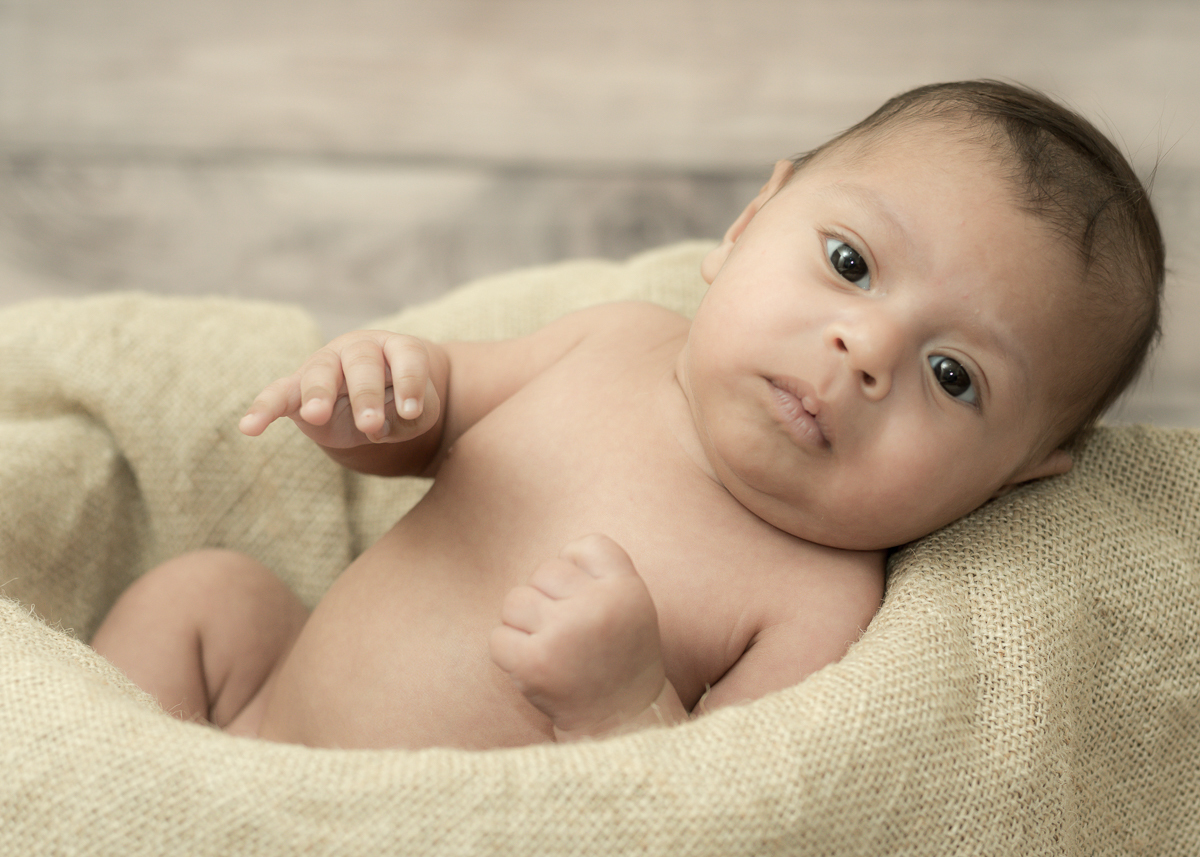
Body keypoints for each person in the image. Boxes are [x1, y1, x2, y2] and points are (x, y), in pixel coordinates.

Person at [92, 80, 1165, 750]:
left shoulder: (815, 603)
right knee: (207, 591)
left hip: (416, 831)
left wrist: (624, 705)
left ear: (1020, 473)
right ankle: (115, 782)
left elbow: (721, 805)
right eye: (849, 264)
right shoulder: (607, 341)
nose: (868, 352)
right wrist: (373, 392)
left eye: (955, 375)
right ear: (748, 225)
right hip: (253, 723)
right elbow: (422, 423)